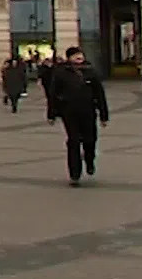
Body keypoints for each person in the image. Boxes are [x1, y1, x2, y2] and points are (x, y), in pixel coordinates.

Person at [46, 46, 109, 187]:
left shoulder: (91, 72)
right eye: (76, 56)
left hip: (88, 111)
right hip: (69, 112)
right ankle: (74, 173)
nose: (80, 58)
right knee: (73, 141)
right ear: (70, 58)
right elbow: (53, 94)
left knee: (90, 140)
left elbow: (100, 94)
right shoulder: (61, 73)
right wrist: (51, 114)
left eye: (81, 55)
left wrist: (104, 115)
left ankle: (89, 159)